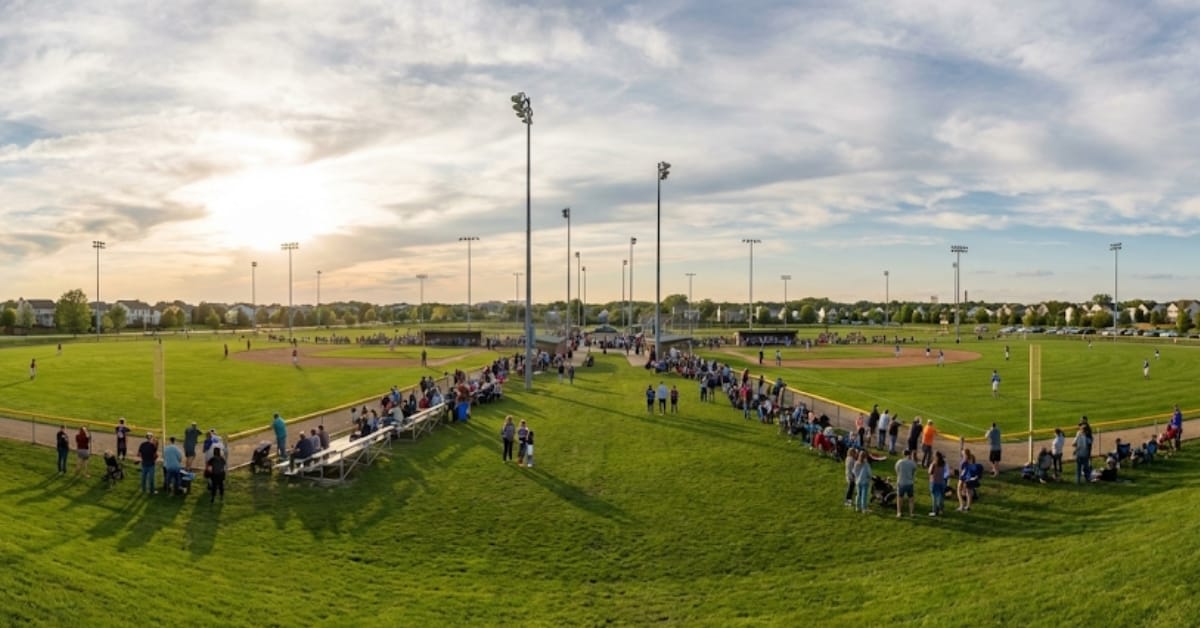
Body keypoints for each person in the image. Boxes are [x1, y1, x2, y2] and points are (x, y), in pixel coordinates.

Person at [894, 449, 918, 518]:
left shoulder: (899, 462)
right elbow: (914, 470)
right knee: (911, 498)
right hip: (909, 482)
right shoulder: (912, 463)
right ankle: (911, 513)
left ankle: (899, 512)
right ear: (909, 455)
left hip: (901, 482)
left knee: (900, 498)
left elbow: (896, 470)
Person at [928, 451, 947, 516]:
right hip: (941, 482)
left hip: (934, 482)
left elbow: (930, 472)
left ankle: (935, 511)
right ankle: (941, 510)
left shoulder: (933, 464)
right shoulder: (943, 463)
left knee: (934, 498)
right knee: (941, 497)